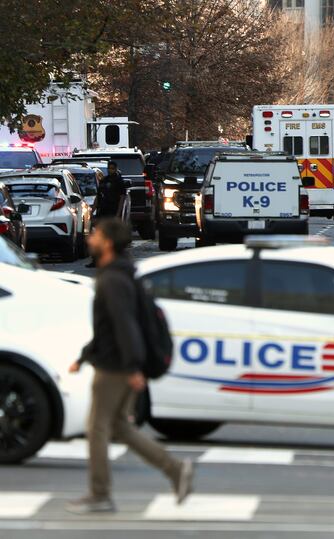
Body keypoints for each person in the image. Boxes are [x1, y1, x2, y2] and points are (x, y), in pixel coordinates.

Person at [67, 219, 193, 514]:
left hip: (115, 367)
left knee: (96, 428)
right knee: (120, 428)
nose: (90, 239)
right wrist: (84, 355)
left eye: (95, 235)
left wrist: (134, 367)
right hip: (117, 361)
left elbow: (126, 326)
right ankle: (175, 470)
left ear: (107, 243)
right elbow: (109, 328)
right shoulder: (122, 275)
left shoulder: (113, 280)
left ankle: (100, 495)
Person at [87, 161, 126, 268]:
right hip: (102, 211)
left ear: (116, 168)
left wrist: (118, 213)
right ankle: (96, 260)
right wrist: (93, 210)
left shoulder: (119, 181)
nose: (110, 170)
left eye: (112, 168)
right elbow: (98, 196)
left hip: (112, 211)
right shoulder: (104, 180)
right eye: (109, 168)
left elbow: (122, 198)